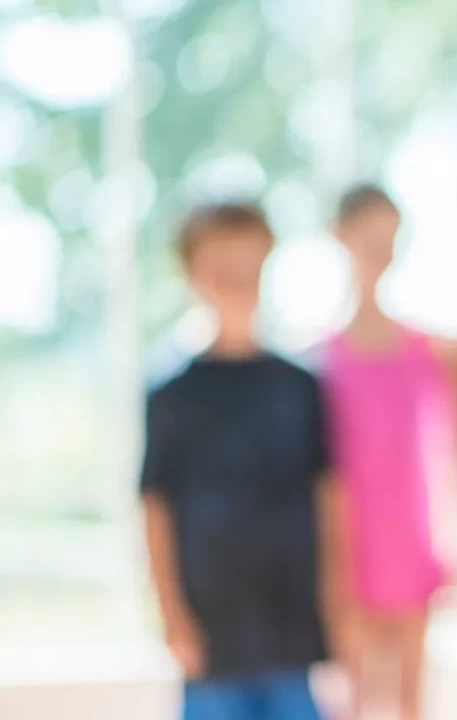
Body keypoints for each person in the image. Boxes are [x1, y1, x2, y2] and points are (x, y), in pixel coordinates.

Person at [140, 202, 339, 720]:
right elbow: (155, 507)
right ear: (192, 274)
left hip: (290, 629)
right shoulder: (172, 395)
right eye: (221, 270)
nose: (237, 283)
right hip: (212, 633)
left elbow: (328, 497)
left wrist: (338, 607)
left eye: (248, 268)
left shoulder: (300, 386)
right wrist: (172, 618)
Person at [320, 185, 453, 720]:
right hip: (349, 553)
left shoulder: (429, 351)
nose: (379, 251)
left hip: (411, 548)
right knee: (352, 699)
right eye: (368, 238)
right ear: (340, 237)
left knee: (411, 700)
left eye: (388, 239)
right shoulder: (319, 360)